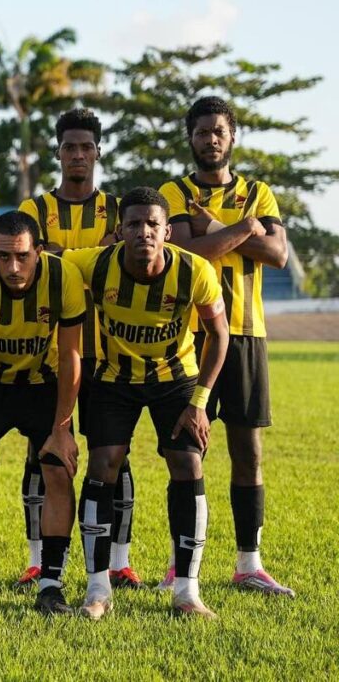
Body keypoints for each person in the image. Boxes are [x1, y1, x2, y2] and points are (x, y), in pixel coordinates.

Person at [61, 187, 228, 619]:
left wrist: (200, 402)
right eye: (134, 224)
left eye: (153, 224)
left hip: (176, 381)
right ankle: (98, 589)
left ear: (167, 231)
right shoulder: (94, 264)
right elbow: (43, 261)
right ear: (119, 232)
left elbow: (219, 335)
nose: (144, 232)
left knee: (188, 465)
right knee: (103, 465)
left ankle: (187, 592)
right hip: (114, 379)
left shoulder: (195, 271)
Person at [158, 96, 294, 597]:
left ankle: (248, 564)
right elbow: (180, 250)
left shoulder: (259, 192)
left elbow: (277, 253)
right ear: (189, 138)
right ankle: (180, 563)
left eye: (219, 131)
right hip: (187, 335)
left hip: (246, 335)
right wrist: (236, 230)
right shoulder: (173, 192)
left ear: (231, 136)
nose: (210, 139)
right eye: (201, 132)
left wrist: (211, 230)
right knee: (183, 450)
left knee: (247, 450)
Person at [0, 211, 85, 616]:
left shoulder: (63, 277)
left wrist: (62, 429)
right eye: (3, 257)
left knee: (58, 469)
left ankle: (51, 585)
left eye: (22, 256)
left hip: (44, 384)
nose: (12, 267)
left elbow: (71, 355)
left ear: (38, 252)